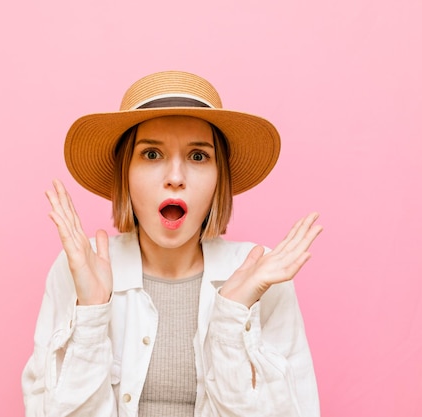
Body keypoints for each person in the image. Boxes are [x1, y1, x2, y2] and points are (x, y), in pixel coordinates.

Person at [21, 70, 322, 417]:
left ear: (219, 177)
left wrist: (232, 314)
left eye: (198, 156)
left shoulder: (262, 276)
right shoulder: (78, 268)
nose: (175, 178)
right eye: (151, 155)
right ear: (126, 175)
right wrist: (91, 311)